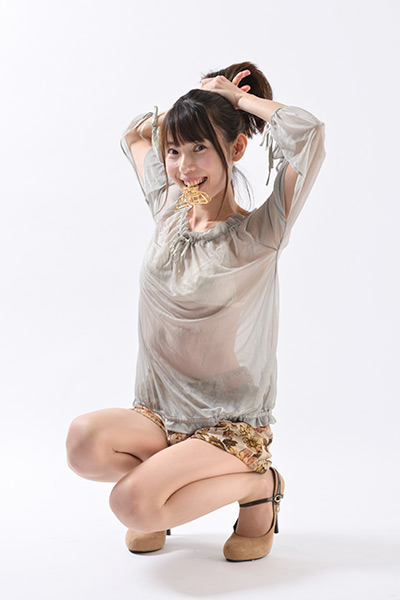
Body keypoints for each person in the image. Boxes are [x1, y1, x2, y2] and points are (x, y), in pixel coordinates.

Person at [66, 61, 326, 562]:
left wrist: (237, 100)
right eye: (174, 150)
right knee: (83, 442)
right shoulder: (171, 207)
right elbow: (133, 135)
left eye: (200, 148)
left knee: (131, 504)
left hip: (228, 422)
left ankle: (259, 484)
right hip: (159, 414)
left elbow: (309, 134)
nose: (184, 166)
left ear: (236, 149)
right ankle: (166, 480)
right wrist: (189, 109)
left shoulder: (261, 234)